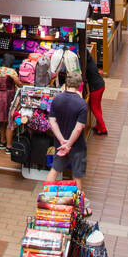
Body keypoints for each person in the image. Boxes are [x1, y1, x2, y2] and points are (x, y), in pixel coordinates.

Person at [48, 71, 89, 200]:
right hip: (77, 146)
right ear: (80, 85)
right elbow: (78, 128)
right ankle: (77, 207)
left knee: (54, 170)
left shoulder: (56, 99)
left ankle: (47, 200)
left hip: (60, 145)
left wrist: (62, 141)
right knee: (76, 176)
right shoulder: (82, 104)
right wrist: (69, 144)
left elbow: (52, 121)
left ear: (66, 83)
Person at [83, 45, 107, 135]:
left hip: (96, 88)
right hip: (100, 85)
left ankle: (103, 128)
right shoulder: (90, 60)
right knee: (98, 107)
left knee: (94, 108)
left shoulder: (85, 64)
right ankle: (98, 126)